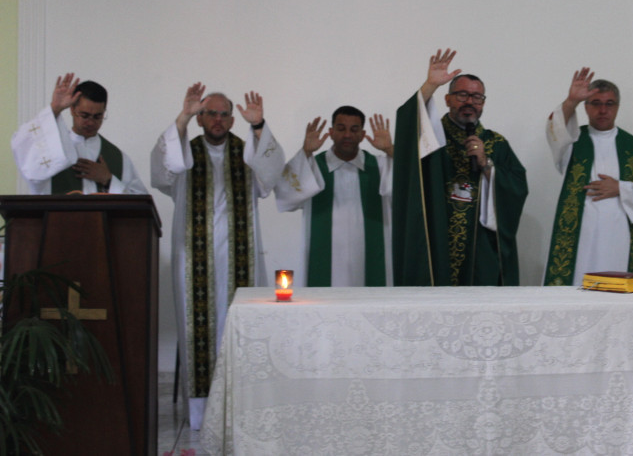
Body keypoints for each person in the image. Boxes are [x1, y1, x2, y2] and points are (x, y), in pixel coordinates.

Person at [150, 82, 285, 430]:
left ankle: (241, 405)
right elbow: (162, 173)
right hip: (191, 258)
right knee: (198, 329)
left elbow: (270, 179)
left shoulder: (247, 152)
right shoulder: (184, 150)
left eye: (225, 115)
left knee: (240, 325)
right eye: (211, 113)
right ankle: (200, 413)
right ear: (200, 118)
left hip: (241, 259)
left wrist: (258, 127)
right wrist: (181, 118)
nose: (219, 120)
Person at [392, 48, 528, 286]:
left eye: (477, 98)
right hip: (438, 239)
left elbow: (518, 187)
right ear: (447, 99)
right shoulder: (432, 137)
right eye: (462, 95)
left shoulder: (495, 143)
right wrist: (430, 86)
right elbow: (408, 124)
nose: (470, 102)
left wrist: (488, 166)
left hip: (481, 248)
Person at [543, 68, 633, 285]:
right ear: (586, 107)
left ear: (617, 107)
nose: (602, 110)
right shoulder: (573, 140)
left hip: (618, 233)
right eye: (595, 103)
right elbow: (555, 131)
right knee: (577, 287)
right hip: (580, 233)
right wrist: (571, 101)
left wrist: (621, 188)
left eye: (609, 104)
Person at [275, 107, 394, 286]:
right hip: (323, 265)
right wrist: (305, 152)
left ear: (362, 135)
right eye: (340, 128)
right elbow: (285, 194)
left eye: (354, 130)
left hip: (370, 262)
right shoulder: (311, 167)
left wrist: (391, 150)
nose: (347, 135)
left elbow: (411, 187)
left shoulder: (380, 166)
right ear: (331, 132)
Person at [11, 72, 148, 195]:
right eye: (84, 115)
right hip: (57, 222)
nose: (90, 122)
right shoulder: (53, 148)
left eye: (97, 116)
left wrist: (108, 180)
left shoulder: (118, 158)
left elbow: (141, 205)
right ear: (72, 110)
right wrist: (55, 108)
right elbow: (22, 148)